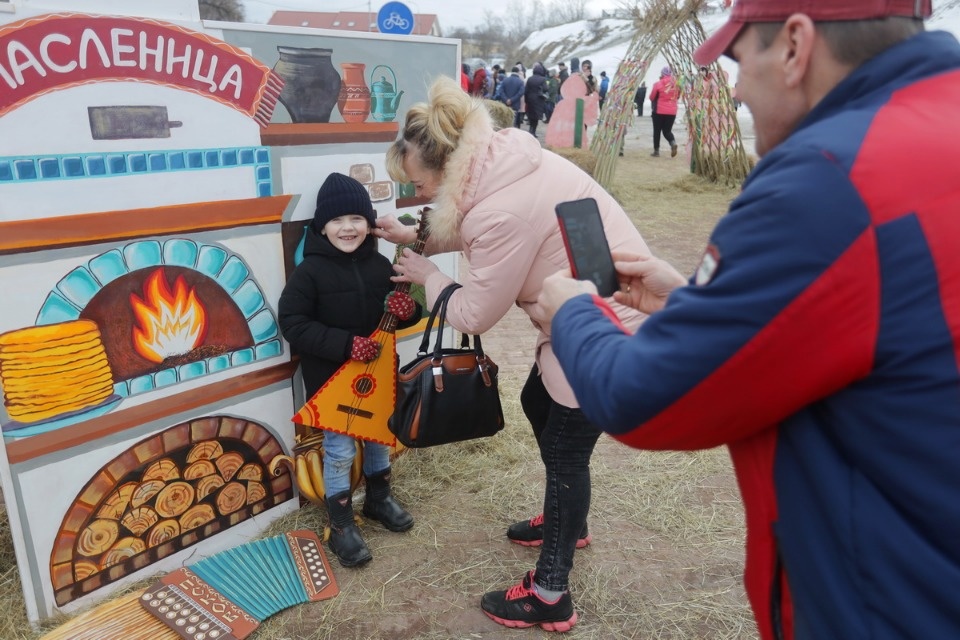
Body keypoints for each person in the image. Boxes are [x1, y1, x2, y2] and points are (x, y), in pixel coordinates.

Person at [537, 1, 960, 639]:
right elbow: (873, 323)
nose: (733, 87)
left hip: (890, 604)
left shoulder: (826, 179)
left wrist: (573, 314)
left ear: (794, 45)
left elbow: (647, 399)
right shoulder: (938, 123)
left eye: (739, 59)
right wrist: (698, 307)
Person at [373, 77, 649, 632]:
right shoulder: (502, 163)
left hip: (605, 333)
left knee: (565, 449)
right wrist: (414, 236)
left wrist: (428, 275)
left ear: (448, 168)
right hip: (592, 311)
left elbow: (476, 313)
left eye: (420, 183)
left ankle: (550, 593)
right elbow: (484, 227)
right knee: (538, 402)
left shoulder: (497, 207)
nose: (418, 193)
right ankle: (567, 521)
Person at [278, 173, 422, 568]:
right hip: (334, 383)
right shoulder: (310, 272)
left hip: (377, 380)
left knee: (379, 437)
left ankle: (379, 499)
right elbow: (293, 322)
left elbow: (399, 311)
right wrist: (346, 345)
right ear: (321, 226)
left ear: (369, 224)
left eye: (357, 219)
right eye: (338, 220)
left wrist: (410, 312)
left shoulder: (379, 265)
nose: (348, 227)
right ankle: (340, 522)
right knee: (340, 451)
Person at [648, 66, 678, 157]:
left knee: (657, 131)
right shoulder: (676, 84)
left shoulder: (658, 84)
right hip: (672, 112)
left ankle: (656, 151)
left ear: (662, 74)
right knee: (667, 131)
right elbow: (678, 96)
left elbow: (652, 97)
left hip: (658, 111)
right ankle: (672, 143)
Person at [523, 62, 548, 136]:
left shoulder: (530, 79)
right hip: (539, 99)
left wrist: (526, 100)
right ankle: (533, 131)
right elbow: (546, 88)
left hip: (530, 99)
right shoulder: (543, 79)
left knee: (531, 116)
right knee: (536, 117)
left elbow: (526, 90)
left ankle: (531, 130)